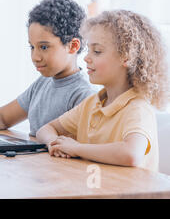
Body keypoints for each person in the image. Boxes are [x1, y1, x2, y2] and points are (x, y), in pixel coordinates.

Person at [36, 10, 169, 171]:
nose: (86, 58)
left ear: (126, 57)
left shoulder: (138, 109)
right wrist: (54, 143)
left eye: (97, 51)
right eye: (88, 50)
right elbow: (46, 129)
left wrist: (76, 148)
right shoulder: (92, 104)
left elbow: (131, 154)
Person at [0, 0, 94, 137]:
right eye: (32, 47)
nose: (35, 57)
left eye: (43, 47)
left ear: (72, 46)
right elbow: (1, 117)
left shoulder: (84, 94)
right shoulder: (42, 84)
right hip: (33, 158)